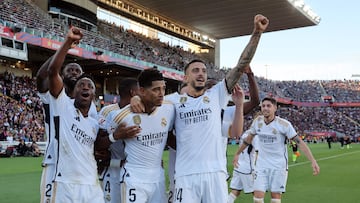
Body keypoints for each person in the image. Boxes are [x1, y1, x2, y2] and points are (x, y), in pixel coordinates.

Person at [167, 14, 268, 203]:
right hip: (186, 175)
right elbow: (151, 105)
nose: (201, 74)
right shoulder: (172, 101)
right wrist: (137, 99)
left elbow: (240, 66)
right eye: (195, 70)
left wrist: (256, 33)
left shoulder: (215, 96)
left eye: (204, 70)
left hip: (215, 174)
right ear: (185, 78)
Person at [36, 29, 98, 203]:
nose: (73, 73)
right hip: (54, 162)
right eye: (69, 70)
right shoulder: (52, 96)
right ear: (61, 76)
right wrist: (65, 46)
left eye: (77, 71)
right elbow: (42, 76)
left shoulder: (90, 106)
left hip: (78, 168)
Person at [233, 97, 320, 203]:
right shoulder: (257, 122)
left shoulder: (284, 125)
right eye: (263, 106)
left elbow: (299, 142)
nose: (265, 108)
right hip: (261, 165)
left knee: (275, 197)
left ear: (275, 108)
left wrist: (313, 161)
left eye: (268, 106)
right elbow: (248, 140)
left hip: (278, 166)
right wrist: (237, 154)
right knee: (257, 197)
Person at [109, 68, 174, 203]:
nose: (161, 94)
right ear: (142, 91)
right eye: (156, 89)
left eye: (163, 88)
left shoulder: (169, 108)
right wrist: (115, 136)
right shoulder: (123, 115)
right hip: (134, 177)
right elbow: (101, 142)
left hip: (158, 176)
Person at [97, 77, 140, 203]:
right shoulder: (108, 111)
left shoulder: (141, 111)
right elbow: (99, 141)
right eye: (139, 90)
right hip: (113, 170)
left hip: (136, 171)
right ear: (133, 92)